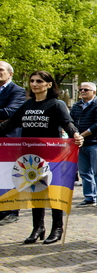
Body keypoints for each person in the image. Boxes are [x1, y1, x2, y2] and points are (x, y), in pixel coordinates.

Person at [0, 70, 84, 244]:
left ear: (49, 84)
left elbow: (67, 123)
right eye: (32, 81)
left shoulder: (56, 104)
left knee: (53, 191)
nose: (34, 84)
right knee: (35, 191)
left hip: (52, 156)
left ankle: (57, 228)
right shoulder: (26, 105)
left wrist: (76, 134)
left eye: (39, 81)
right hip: (30, 157)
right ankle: (38, 228)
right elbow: (8, 125)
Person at [71, 81, 97, 207]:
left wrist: (82, 135)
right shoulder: (76, 106)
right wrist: (75, 134)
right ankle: (89, 197)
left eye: (86, 89)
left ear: (94, 92)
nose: (82, 91)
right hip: (81, 144)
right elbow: (71, 122)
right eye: (81, 89)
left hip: (96, 143)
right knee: (84, 172)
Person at [0, 61, 27, 225]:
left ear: (10, 74)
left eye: (1, 70)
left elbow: (11, 112)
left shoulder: (17, 90)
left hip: (10, 139)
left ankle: (12, 211)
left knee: (10, 175)